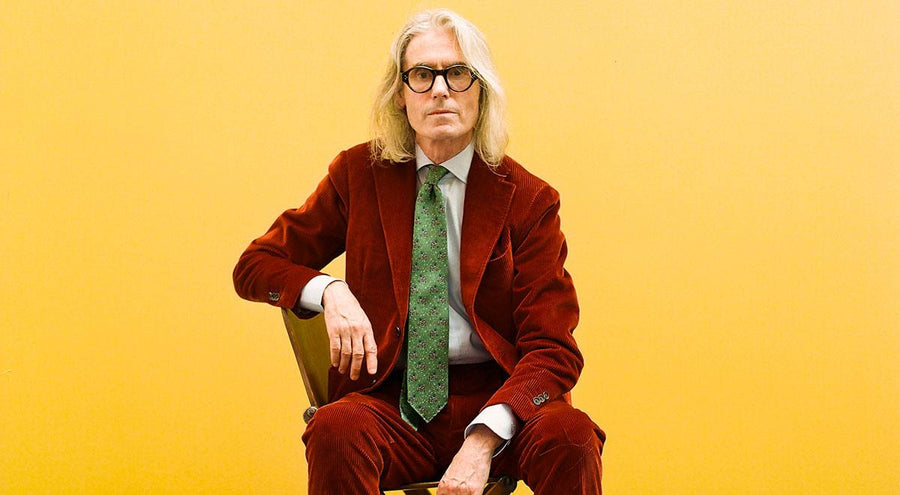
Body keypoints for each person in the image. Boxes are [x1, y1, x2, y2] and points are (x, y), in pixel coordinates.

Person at [233, 8, 604, 495]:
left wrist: (484, 439)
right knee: (335, 428)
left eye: (458, 73)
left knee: (572, 435)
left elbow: (553, 348)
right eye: (422, 75)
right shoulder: (357, 176)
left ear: (481, 90)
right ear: (400, 94)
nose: (440, 90)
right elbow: (255, 266)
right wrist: (328, 291)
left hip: (500, 400)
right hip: (390, 400)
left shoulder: (530, 199)